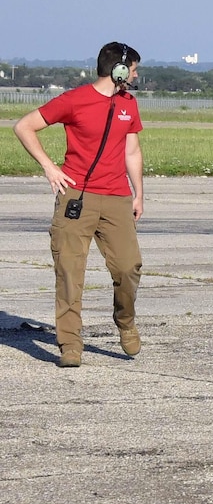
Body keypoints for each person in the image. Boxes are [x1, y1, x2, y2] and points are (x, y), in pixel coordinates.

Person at [12, 43, 147, 367]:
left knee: (129, 267)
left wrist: (139, 193)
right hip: (78, 197)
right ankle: (70, 344)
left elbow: (132, 150)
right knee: (70, 271)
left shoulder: (129, 104)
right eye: (134, 69)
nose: (137, 75)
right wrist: (49, 166)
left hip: (116, 198)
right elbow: (24, 126)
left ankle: (125, 321)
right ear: (118, 70)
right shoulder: (75, 100)